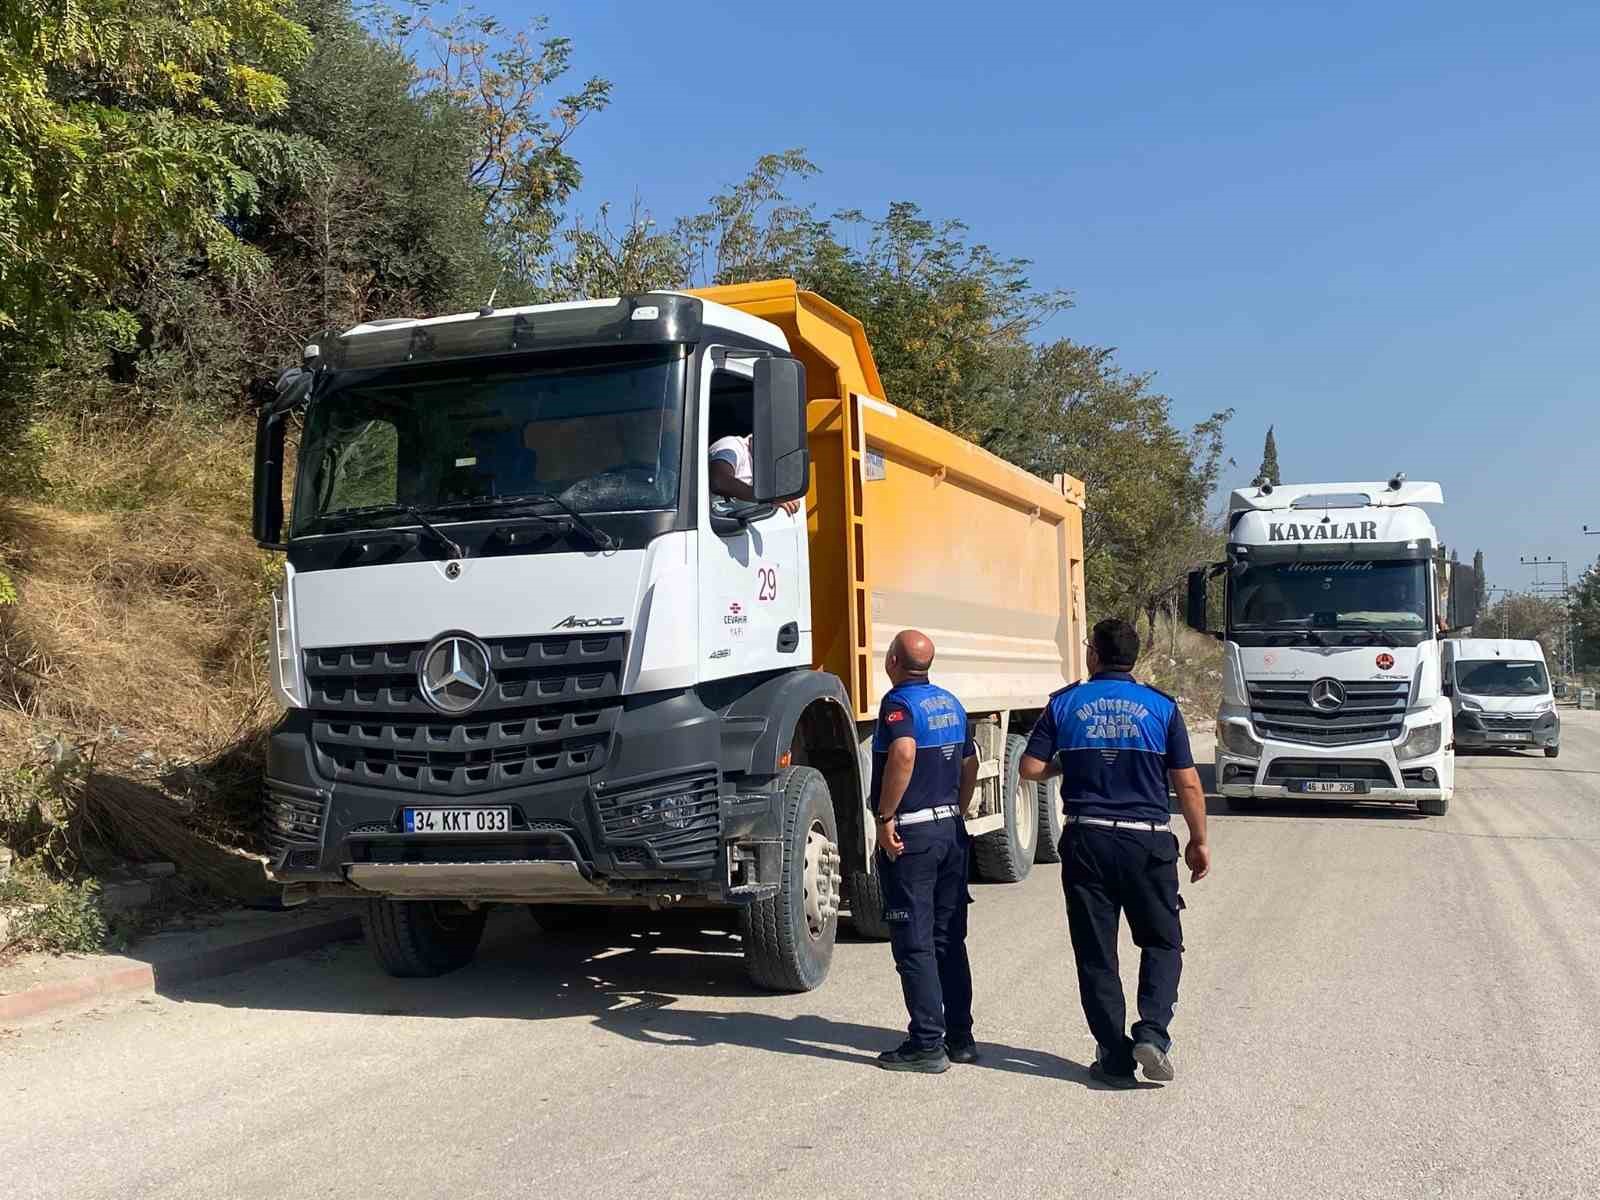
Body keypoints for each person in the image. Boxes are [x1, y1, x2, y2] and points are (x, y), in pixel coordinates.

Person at [1020, 618, 1210, 1088]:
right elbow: (1186, 781)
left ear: (1094, 655)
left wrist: (1071, 760)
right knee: (1162, 942)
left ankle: (1114, 1055)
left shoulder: (1065, 704)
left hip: (1088, 840)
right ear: (1134, 657)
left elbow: (1029, 767)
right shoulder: (1161, 708)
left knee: (1096, 951)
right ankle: (1152, 1032)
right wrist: (1198, 840)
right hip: (1147, 842)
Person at [871, 630, 980, 1074]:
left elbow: (903, 753)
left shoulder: (898, 704)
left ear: (894, 661)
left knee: (914, 942)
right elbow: (971, 761)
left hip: (913, 836)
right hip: (950, 831)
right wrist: (960, 806)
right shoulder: (951, 702)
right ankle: (961, 1037)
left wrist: (885, 817)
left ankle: (926, 1044)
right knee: (948, 938)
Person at [708, 433, 800, 515]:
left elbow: (785, 494)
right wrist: (766, 497)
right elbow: (720, 482)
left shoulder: (771, 461)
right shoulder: (732, 446)